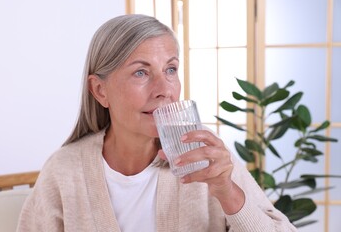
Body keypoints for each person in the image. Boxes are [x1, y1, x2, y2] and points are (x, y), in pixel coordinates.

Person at [17, 14, 297, 232]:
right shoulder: (65, 170)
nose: (165, 89)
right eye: (141, 72)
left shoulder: (204, 156)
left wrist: (227, 191)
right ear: (100, 91)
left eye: (171, 69)